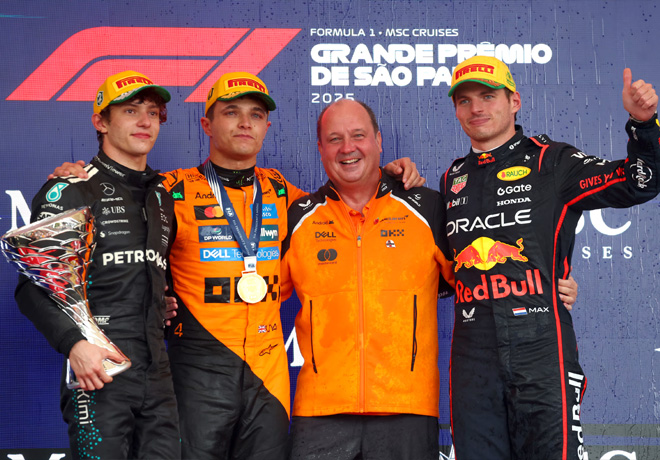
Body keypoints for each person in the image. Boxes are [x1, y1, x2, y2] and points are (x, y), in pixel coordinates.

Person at [48, 71, 423, 460]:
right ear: (207, 125)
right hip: (197, 369)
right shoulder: (169, 190)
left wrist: (388, 176)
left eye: (256, 114)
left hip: (268, 374)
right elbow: (120, 222)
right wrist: (76, 178)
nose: (245, 123)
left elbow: (350, 201)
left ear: (267, 127)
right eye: (231, 112)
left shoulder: (284, 193)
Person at [280, 99, 578, 460]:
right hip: (318, 412)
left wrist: (543, 284)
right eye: (334, 139)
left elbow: (477, 273)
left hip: (408, 411)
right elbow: (262, 298)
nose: (347, 148)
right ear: (320, 147)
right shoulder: (297, 217)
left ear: (378, 140)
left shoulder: (426, 206)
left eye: (358, 135)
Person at [440, 55, 659, 460]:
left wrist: (643, 125)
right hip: (473, 356)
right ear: (456, 110)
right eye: (464, 100)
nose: (476, 108)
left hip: (541, 349)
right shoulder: (453, 178)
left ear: (514, 101)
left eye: (487, 96)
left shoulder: (552, 161)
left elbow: (638, 183)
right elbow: (438, 270)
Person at [15, 71, 180, 459]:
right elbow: (33, 287)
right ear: (101, 122)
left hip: (157, 371)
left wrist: (162, 302)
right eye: (131, 111)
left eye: (153, 113)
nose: (144, 121)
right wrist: (74, 344)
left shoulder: (162, 195)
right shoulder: (70, 190)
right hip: (98, 370)